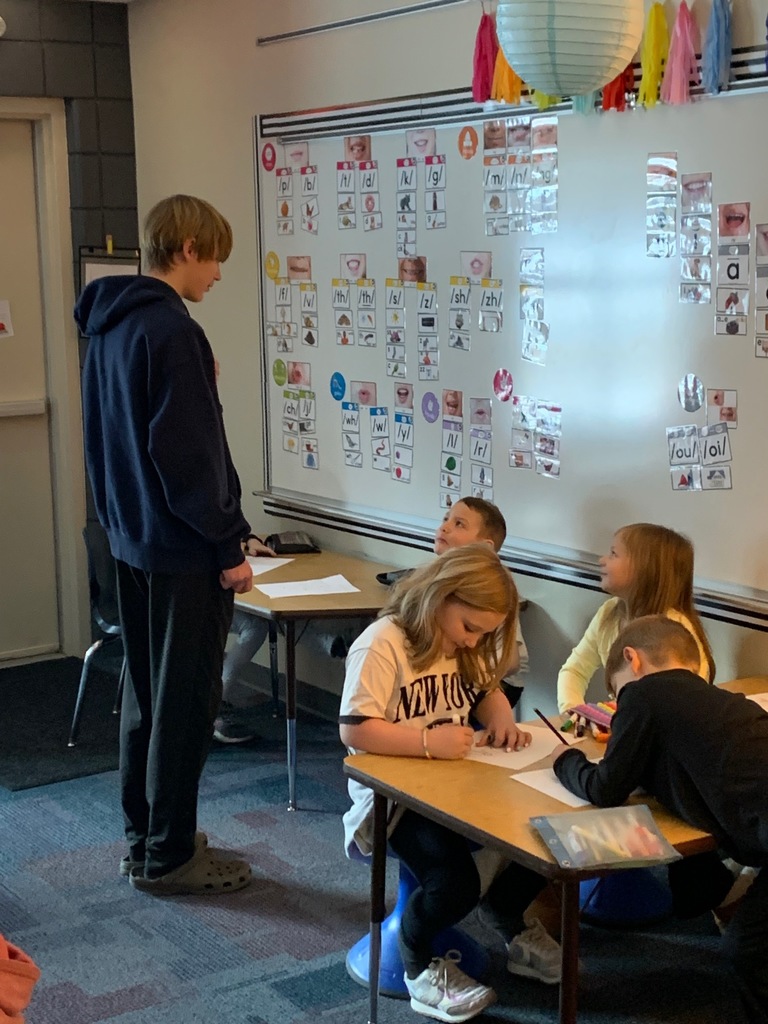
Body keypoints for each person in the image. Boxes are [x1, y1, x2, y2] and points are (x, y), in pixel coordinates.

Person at [76, 194, 254, 896]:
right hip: (183, 550)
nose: (217, 275)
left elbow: (115, 445)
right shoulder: (173, 333)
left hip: (131, 540)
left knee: (145, 696)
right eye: (214, 258)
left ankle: (146, 835)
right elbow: (189, 456)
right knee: (184, 704)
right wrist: (227, 543)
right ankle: (172, 855)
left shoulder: (107, 326)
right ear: (186, 248)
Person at [340, 546, 552, 1022]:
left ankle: (506, 915)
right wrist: (428, 742)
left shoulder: (458, 645)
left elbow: (486, 691)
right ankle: (417, 962)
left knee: (544, 835)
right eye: (471, 628)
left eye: (485, 633)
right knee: (453, 882)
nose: (474, 642)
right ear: (439, 597)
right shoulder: (383, 643)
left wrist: (500, 719)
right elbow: (354, 729)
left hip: (454, 788)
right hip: (392, 800)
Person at [553, 615, 768, 1024]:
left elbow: (605, 788)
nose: (621, 703)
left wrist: (566, 761)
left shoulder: (645, 694)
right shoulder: (716, 703)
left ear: (632, 660)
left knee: (750, 951)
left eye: (616, 691)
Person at [556, 523, 715, 713]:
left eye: (613, 554)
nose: (602, 560)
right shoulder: (609, 613)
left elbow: (688, 700)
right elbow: (574, 670)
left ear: (645, 568)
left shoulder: (676, 628)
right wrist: (573, 711)